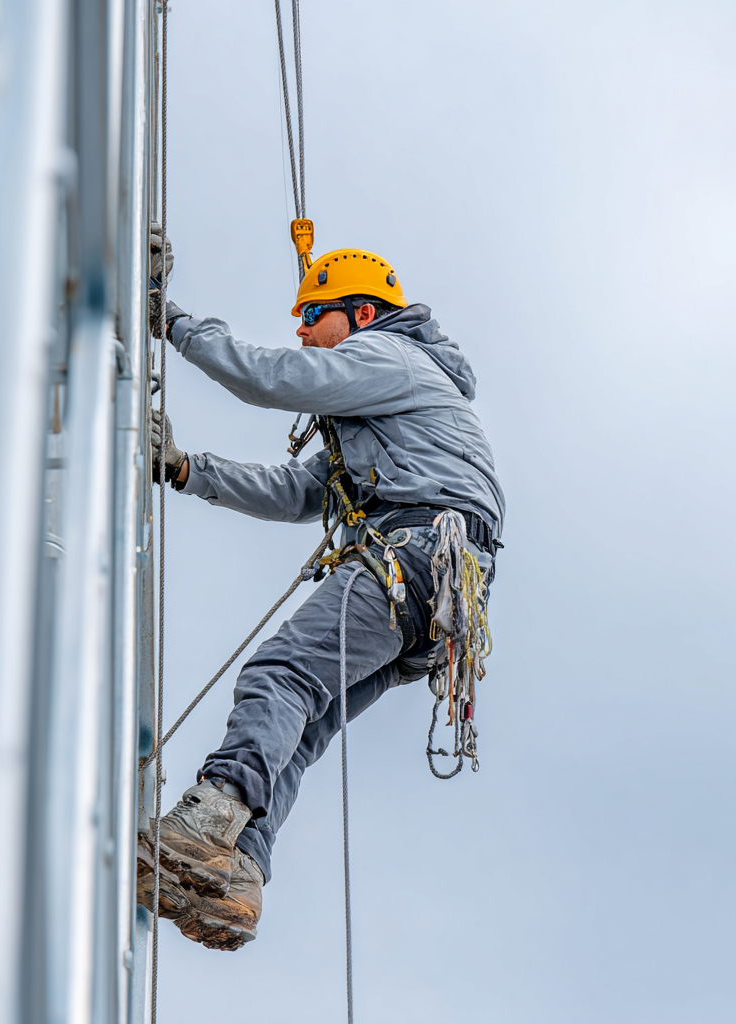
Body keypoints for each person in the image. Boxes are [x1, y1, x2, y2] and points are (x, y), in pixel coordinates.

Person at [138, 230, 505, 951]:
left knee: (282, 675)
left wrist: (169, 319)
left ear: (362, 315)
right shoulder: (380, 408)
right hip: (439, 594)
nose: (303, 332)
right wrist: (185, 468)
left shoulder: (389, 357)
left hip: (416, 556)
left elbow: (270, 378)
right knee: (301, 727)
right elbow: (299, 492)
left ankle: (210, 818)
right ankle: (236, 873)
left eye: (314, 315)